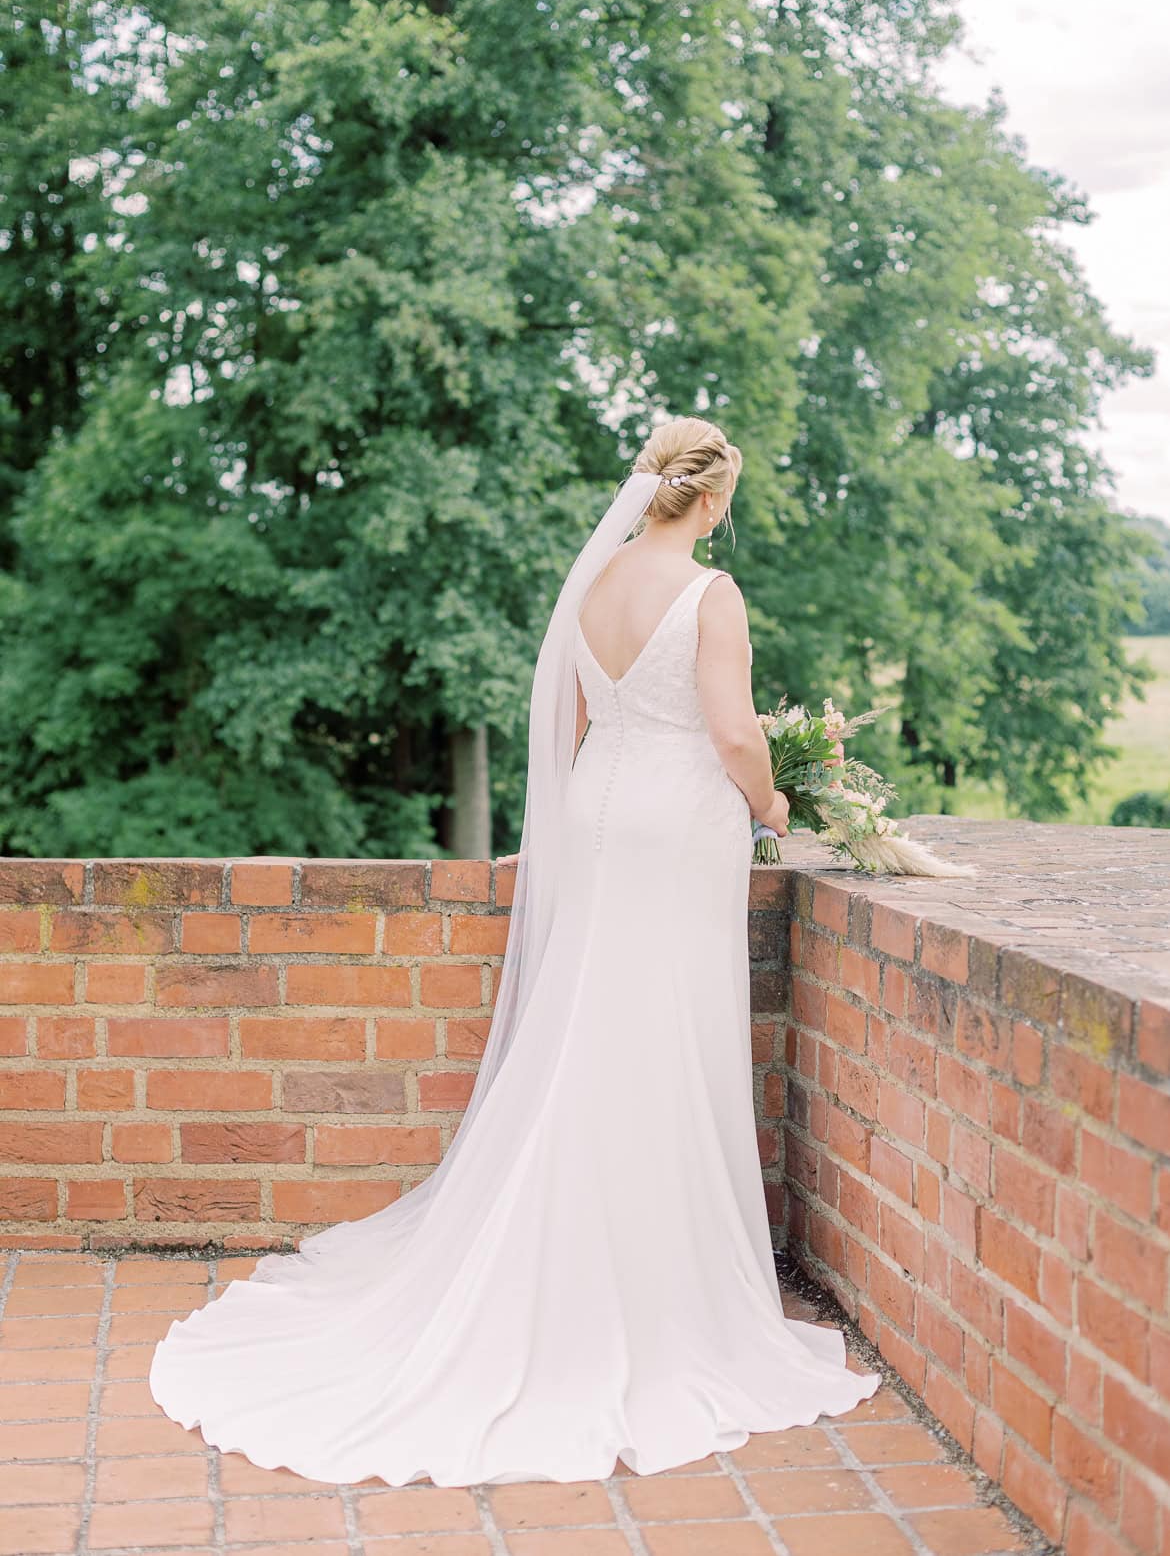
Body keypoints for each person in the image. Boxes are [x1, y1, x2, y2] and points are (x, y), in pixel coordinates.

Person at [148, 415, 881, 1487]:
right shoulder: (711, 595)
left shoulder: (593, 585)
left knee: (594, 1022)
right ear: (714, 500)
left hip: (596, 814)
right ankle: (648, 1278)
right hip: (677, 825)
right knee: (660, 1033)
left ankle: (573, 1243)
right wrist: (773, 800)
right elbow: (730, 732)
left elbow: (582, 716)